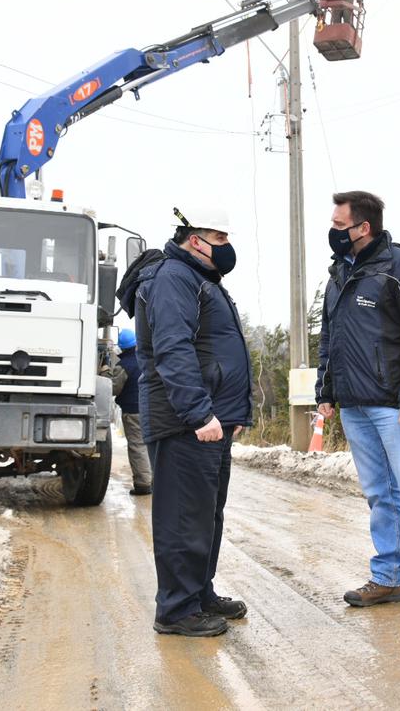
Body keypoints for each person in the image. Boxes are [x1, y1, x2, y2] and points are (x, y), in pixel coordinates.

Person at [315, 190, 400, 614]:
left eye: (339, 225)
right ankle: (388, 579)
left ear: (363, 227)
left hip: (393, 405)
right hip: (354, 403)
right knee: (379, 495)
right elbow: (330, 336)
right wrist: (326, 390)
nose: (333, 232)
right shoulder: (340, 271)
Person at [132, 206, 252, 637]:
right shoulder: (173, 278)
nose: (226, 247)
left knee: (205, 514)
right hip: (186, 421)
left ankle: (199, 592)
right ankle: (176, 610)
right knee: (183, 517)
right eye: (219, 239)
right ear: (195, 240)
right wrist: (199, 411)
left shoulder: (202, 281)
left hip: (211, 420)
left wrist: (231, 412)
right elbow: (172, 349)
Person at [115, 328, 152, 496]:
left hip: (133, 411)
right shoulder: (148, 360)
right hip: (152, 409)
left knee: (138, 446)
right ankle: (157, 481)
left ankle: (143, 484)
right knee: (152, 445)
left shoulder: (123, 366)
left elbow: (114, 388)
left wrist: (105, 373)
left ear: (122, 348)